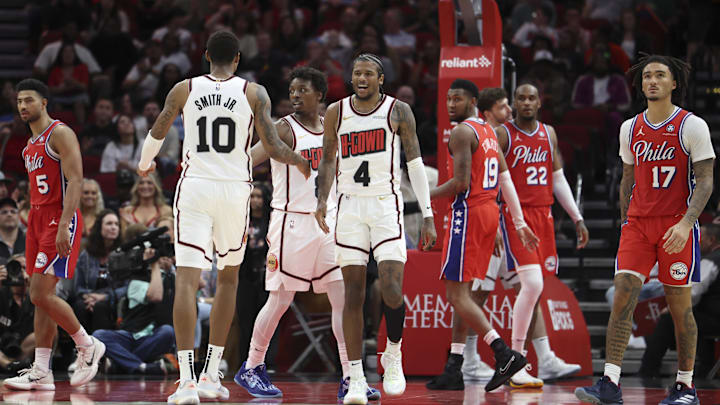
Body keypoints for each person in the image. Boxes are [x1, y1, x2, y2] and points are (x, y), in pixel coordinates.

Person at [136, 30, 310, 404]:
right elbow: (274, 144)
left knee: (186, 279)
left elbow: (159, 128)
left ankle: (186, 381)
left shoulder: (184, 88)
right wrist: (298, 159)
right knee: (228, 278)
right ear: (237, 60)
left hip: (195, 186)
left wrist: (144, 163)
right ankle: (211, 374)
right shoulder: (253, 92)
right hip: (233, 189)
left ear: (204, 56)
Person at [575, 54, 715, 405]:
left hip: (676, 226)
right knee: (622, 294)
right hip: (638, 225)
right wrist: (626, 222)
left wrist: (686, 224)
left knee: (679, 307)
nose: (651, 81)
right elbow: (627, 180)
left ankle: (685, 386)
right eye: (647, 76)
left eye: (659, 75)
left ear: (674, 83)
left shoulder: (692, 125)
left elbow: (707, 182)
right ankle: (610, 383)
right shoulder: (629, 127)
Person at [236, 66, 380, 401]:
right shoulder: (284, 129)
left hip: (329, 223)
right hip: (291, 224)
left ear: (320, 95)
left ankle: (351, 376)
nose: (295, 95)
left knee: (343, 298)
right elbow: (249, 159)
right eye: (292, 90)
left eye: (303, 90)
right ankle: (253, 365)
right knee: (280, 299)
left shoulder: (335, 129)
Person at [315, 53, 437, 405]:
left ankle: (393, 352)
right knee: (352, 294)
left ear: (381, 79)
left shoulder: (398, 111)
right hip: (350, 206)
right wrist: (323, 200)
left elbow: (414, 162)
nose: (362, 78)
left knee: (391, 287)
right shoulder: (337, 112)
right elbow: (326, 161)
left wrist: (428, 214)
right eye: (357, 73)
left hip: (386, 204)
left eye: (369, 73)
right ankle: (355, 377)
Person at [444, 88, 583, 384]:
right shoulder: (496, 135)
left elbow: (555, 178)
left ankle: (540, 358)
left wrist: (576, 216)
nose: (516, 107)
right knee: (478, 292)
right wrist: (496, 223)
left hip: (530, 220)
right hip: (499, 222)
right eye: (511, 103)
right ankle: (472, 360)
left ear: (540, 102)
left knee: (530, 289)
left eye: (529, 99)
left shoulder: (548, 134)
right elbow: (489, 183)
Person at [425, 80, 538, 392]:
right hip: (489, 213)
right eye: (447, 99)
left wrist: (422, 197)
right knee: (464, 295)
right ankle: (455, 367)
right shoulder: (489, 131)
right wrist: (512, 223)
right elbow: (504, 179)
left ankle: (504, 353)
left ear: (473, 101)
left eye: (457, 99)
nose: (450, 104)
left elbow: (460, 184)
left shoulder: (464, 132)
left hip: (469, 213)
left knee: (457, 296)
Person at [3, 78, 105, 391]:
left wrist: (63, 224)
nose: (23, 106)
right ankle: (41, 372)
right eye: (19, 101)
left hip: (59, 218)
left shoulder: (59, 133)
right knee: (41, 299)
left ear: (44, 102)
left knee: (39, 294)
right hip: (36, 219)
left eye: (29, 100)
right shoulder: (28, 145)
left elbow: (75, 180)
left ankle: (87, 345)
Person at [92, 223, 175, 375]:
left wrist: (170, 268)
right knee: (98, 336)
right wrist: (155, 264)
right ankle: (141, 367)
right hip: (129, 336)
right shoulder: (137, 279)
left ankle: (121, 365)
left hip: (151, 337)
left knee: (168, 332)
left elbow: (199, 284)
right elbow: (155, 295)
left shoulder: (168, 277)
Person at [72, 210, 123, 334]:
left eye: (116, 224)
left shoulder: (123, 255)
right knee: (79, 306)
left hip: (112, 299)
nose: (113, 227)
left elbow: (127, 286)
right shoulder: (87, 255)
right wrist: (90, 297)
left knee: (101, 307)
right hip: (88, 297)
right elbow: (78, 287)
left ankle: (101, 347)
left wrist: (105, 296)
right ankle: (81, 348)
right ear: (99, 227)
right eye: (109, 223)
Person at [0, 255, 34, 375]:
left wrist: (33, 287)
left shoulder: (36, 295)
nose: (21, 272)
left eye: (25, 268)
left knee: (43, 333)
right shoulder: (2, 292)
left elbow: (49, 319)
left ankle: (15, 365)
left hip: (24, 348)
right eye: (17, 268)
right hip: (2, 347)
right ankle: (9, 365)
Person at [0, 198, 25, 262]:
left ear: (18, 216)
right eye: (4, 212)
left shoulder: (30, 240)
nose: (9, 214)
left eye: (13, 211)